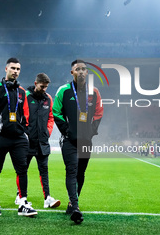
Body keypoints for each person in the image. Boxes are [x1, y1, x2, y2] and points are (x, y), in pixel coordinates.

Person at [0, 57, 37, 216]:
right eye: (13, 68)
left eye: (18, 69)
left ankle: (23, 203)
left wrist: (25, 133)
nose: (15, 71)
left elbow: (26, 115)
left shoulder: (22, 92)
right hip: (1, 136)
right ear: (5, 69)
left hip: (19, 138)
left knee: (22, 170)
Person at [52, 60, 103, 224]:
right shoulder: (64, 91)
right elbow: (56, 112)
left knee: (81, 174)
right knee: (72, 171)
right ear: (72, 72)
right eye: (77, 69)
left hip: (86, 140)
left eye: (84, 69)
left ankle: (71, 203)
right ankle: (75, 207)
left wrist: (91, 131)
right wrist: (67, 131)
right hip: (69, 141)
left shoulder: (94, 92)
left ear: (87, 73)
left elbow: (99, 113)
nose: (81, 71)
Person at [14, 73, 61, 208]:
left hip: (42, 143)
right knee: (23, 170)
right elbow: (19, 115)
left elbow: (51, 117)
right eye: (42, 86)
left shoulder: (48, 99)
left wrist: (48, 132)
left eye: (46, 87)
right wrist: (24, 133)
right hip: (27, 142)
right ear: (36, 84)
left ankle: (47, 198)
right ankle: (20, 196)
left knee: (44, 170)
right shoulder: (26, 97)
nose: (44, 89)